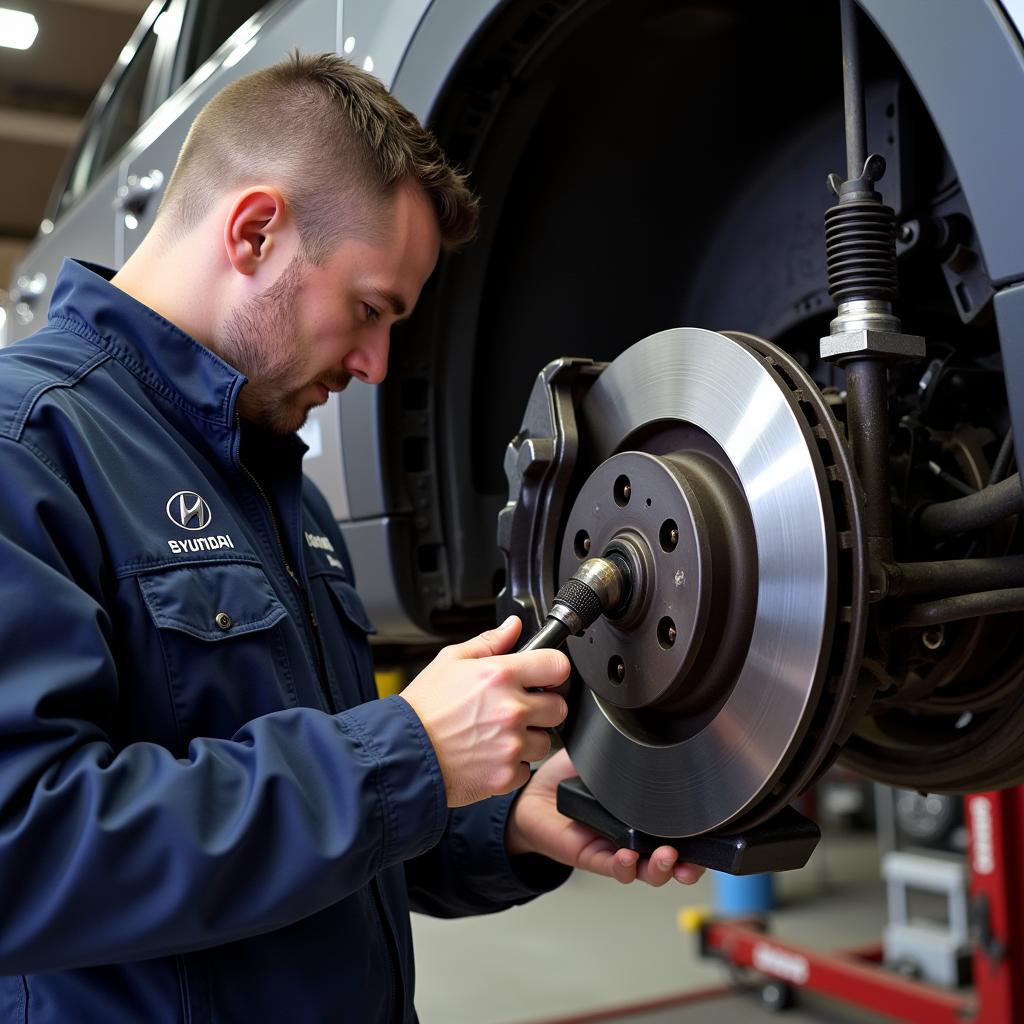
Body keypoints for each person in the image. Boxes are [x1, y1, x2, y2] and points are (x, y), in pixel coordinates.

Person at [0, 53, 701, 1022]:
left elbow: (322, 846)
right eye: (368, 310)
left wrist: (503, 825)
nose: (375, 364)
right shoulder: (27, 446)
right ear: (253, 231)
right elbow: (24, 853)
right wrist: (406, 749)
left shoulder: (280, 487)